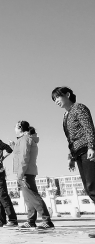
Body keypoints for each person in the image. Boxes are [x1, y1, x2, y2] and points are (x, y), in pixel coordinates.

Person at [51, 87, 95, 237]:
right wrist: (71, 158)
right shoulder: (65, 115)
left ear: (67, 95)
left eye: (57, 97)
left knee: (92, 187)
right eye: (54, 99)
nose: (56, 101)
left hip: (87, 150)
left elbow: (88, 127)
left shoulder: (79, 108)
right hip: (78, 153)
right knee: (89, 189)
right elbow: (70, 139)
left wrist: (92, 147)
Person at [10, 121, 55, 230]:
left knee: (34, 197)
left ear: (20, 128)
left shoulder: (25, 139)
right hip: (25, 171)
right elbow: (20, 154)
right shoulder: (22, 140)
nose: (14, 129)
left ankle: (46, 220)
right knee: (29, 199)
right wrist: (14, 146)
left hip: (26, 172)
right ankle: (31, 220)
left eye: (15, 127)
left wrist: (20, 174)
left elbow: (24, 157)